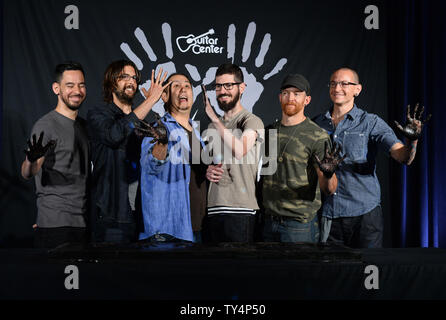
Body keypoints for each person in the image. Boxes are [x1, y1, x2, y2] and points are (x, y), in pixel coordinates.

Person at [313, 67, 430, 248]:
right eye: (333, 83)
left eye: (344, 83)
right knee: (332, 274)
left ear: (357, 89)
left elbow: (403, 157)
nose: (337, 88)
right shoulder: (316, 124)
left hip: (365, 215)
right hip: (330, 214)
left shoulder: (371, 122)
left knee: (369, 273)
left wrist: (412, 140)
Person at [87, 60, 169, 243]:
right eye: (124, 76)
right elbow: (114, 135)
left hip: (141, 216)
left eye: (134, 77)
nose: (131, 81)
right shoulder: (98, 114)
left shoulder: (145, 123)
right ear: (111, 81)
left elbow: (154, 166)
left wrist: (161, 142)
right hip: (110, 214)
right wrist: (149, 101)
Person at [262, 74, 343, 243]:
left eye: (297, 93)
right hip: (267, 223)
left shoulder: (317, 136)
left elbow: (329, 189)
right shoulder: (268, 131)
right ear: (280, 97)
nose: (290, 98)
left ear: (307, 100)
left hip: (298, 226)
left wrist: (328, 175)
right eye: (286, 93)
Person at [21, 61, 89, 248]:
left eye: (81, 84)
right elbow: (28, 172)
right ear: (56, 88)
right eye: (70, 85)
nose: (77, 90)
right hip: (56, 225)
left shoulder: (84, 126)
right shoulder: (46, 126)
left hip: (83, 224)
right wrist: (30, 160)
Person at [139, 73, 207, 243]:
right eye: (176, 86)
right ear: (165, 96)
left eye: (187, 85)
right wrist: (162, 143)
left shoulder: (196, 133)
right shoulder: (158, 129)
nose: (183, 89)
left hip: (198, 228)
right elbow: (151, 166)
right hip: (168, 230)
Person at [203, 63, 264, 243]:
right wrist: (208, 170)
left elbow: (240, 150)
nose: (223, 91)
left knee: (239, 270)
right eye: (218, 86)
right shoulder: (211, 126)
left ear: (242, 87)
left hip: (241, 210)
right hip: (214, 208)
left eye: (229, 85)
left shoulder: (252, 120)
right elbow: (214, 161)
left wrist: (214, 118)